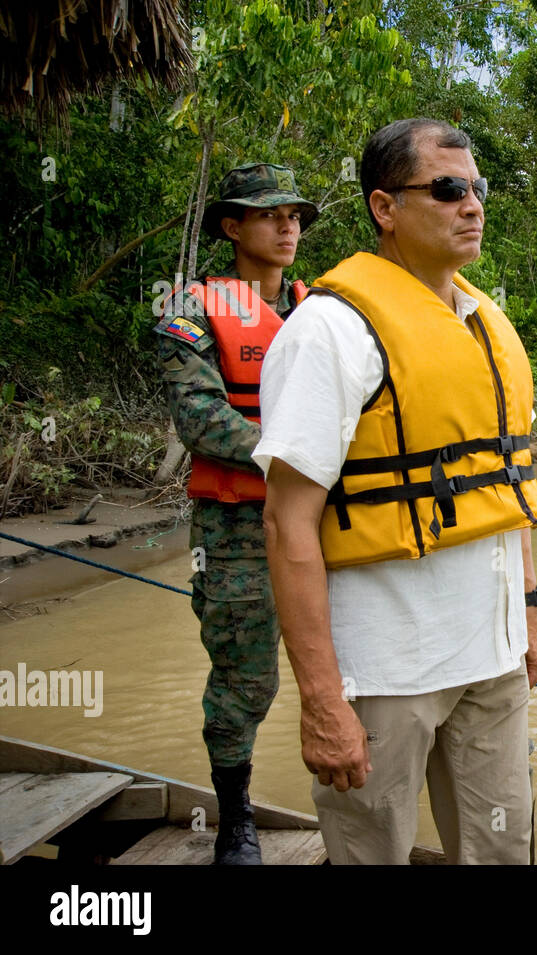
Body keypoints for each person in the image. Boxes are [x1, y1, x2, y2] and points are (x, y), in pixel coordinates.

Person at [255, 118, 537, 865]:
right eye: (447, 189)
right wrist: (322, 700)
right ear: (385, 208)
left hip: (493, 660)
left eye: (477, 189)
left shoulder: (486, 323)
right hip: (383, 673)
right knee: (370, 854)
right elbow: (288, 525)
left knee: (504, 851)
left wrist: (531, 615)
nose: (472, 205)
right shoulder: (329, 332)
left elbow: (504, 489)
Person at [155, 162, 318, 864]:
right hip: (236, 529)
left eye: (296, 217)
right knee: (244, 679)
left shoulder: (320, 308)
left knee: (348, 666)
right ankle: (235, 819)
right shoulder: (188, 309)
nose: (289, 227)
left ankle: (348, 807)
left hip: (324, 525)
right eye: (271, 215)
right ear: (232, 226)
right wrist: (298, 460)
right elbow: (200, 417)